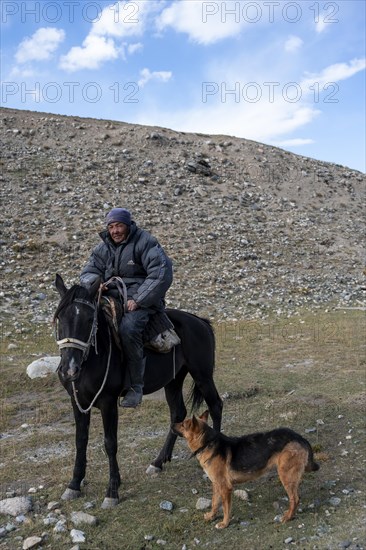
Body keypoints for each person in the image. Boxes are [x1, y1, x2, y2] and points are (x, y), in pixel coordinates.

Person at [80, 207, 173, 408]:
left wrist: (139, 299)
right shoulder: (102, 248)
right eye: (111, 226)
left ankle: (135, 386)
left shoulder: (146, 242)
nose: (115, 231)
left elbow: (160, 274)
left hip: (141, 301)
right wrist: (97, 284)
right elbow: (87, 272)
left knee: (128, 328)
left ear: (129, 225)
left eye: (119, 225)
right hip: (111, 296)